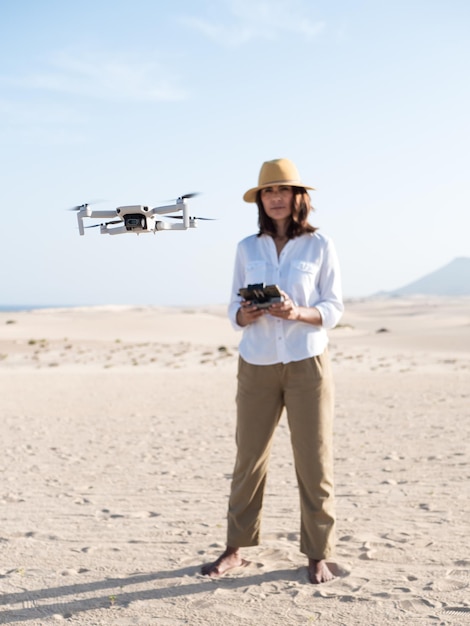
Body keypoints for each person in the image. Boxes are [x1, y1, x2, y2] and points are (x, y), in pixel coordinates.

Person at [201, 158, 344, 584]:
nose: (276, 198)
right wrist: (245, 313)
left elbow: (333, 308)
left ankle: (319, 554)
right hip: (257, 364)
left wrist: (296, 312)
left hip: (308, 364)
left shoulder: (321, 246)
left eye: (283, 191)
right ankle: (235, 549)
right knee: (249, 459)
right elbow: (231, 305)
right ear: (261, 199)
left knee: (315, 462)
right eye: (268, 192)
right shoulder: (247, 247)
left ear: (298, 197)